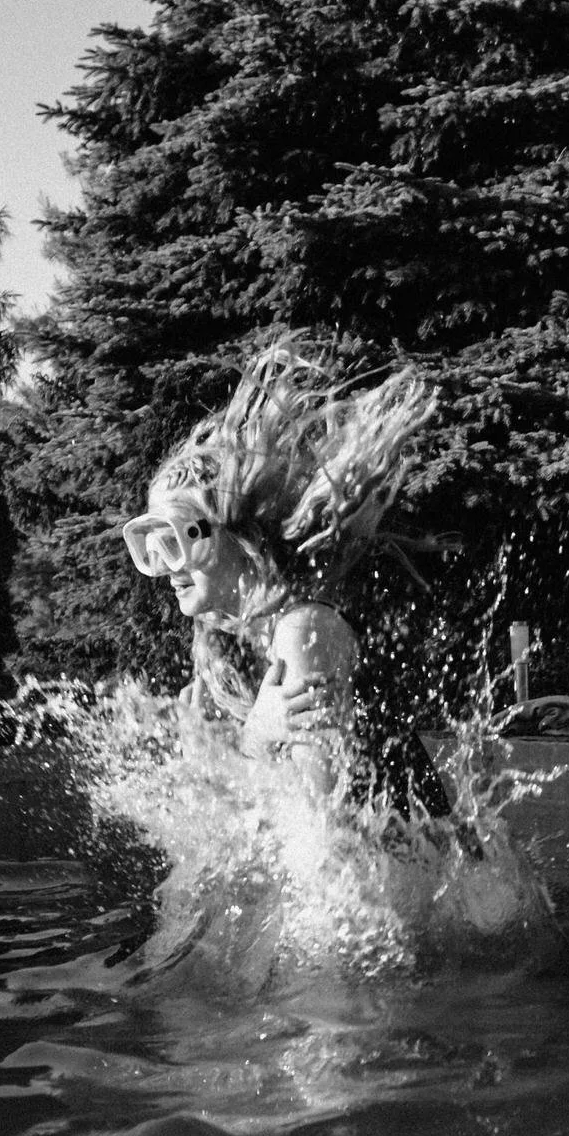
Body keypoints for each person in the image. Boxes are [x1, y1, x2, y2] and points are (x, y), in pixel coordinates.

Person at [120, 338, 449, 814]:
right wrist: (206, 762)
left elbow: (322, 843)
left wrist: (250, 743)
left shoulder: (304, 633)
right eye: (149, 547)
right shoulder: (221, 645)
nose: (162, 568)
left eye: (172, 541)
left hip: (423, 880)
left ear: (228, 534)